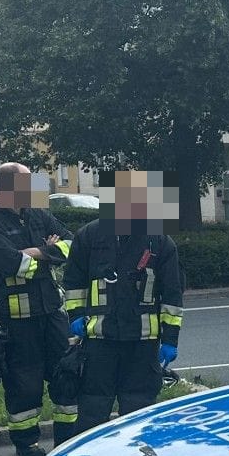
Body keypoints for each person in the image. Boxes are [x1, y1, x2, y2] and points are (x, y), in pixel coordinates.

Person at [62, 171, 185, 429]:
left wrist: (170, 339)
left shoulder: (160, 241)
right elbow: (74, 283)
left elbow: (172, 295)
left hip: (141, 345)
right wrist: (75, 318)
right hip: (99, 342)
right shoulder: (89, 237)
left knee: (138, 414)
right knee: (93, 411)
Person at [0, 163, 76, 456]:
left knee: (66, 374)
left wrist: (36, 253)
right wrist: (46, 253)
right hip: (16, 321)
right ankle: (26, 441)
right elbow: (12, 264)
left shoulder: (37, 214)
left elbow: (71, 245)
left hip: (52, 315)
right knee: (23, 382)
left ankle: (68, 438)